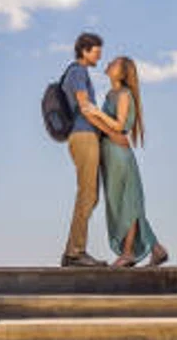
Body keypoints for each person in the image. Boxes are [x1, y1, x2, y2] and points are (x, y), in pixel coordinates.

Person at [78, 56, 168, 268]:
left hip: (119, 154)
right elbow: (109, 128)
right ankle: (157, 249)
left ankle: (128, 253)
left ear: (123, 72)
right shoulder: (111, 94)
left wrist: (95, 113)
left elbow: (119, 126)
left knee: (127, 203)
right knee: (124, 202)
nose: (109, 63)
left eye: (115, 63)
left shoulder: (125, 94)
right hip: (109, 154)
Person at [60, 32, 125, 267]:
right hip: (84, 135)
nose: (99, 57)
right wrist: (111, 130)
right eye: (96, 52)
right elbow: (86, 108)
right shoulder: (78, 71)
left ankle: (74, 250)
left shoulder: (79, 72)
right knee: (87, 194)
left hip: (84, 136)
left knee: (90, 194)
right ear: (84, 51)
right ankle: (75, 253)